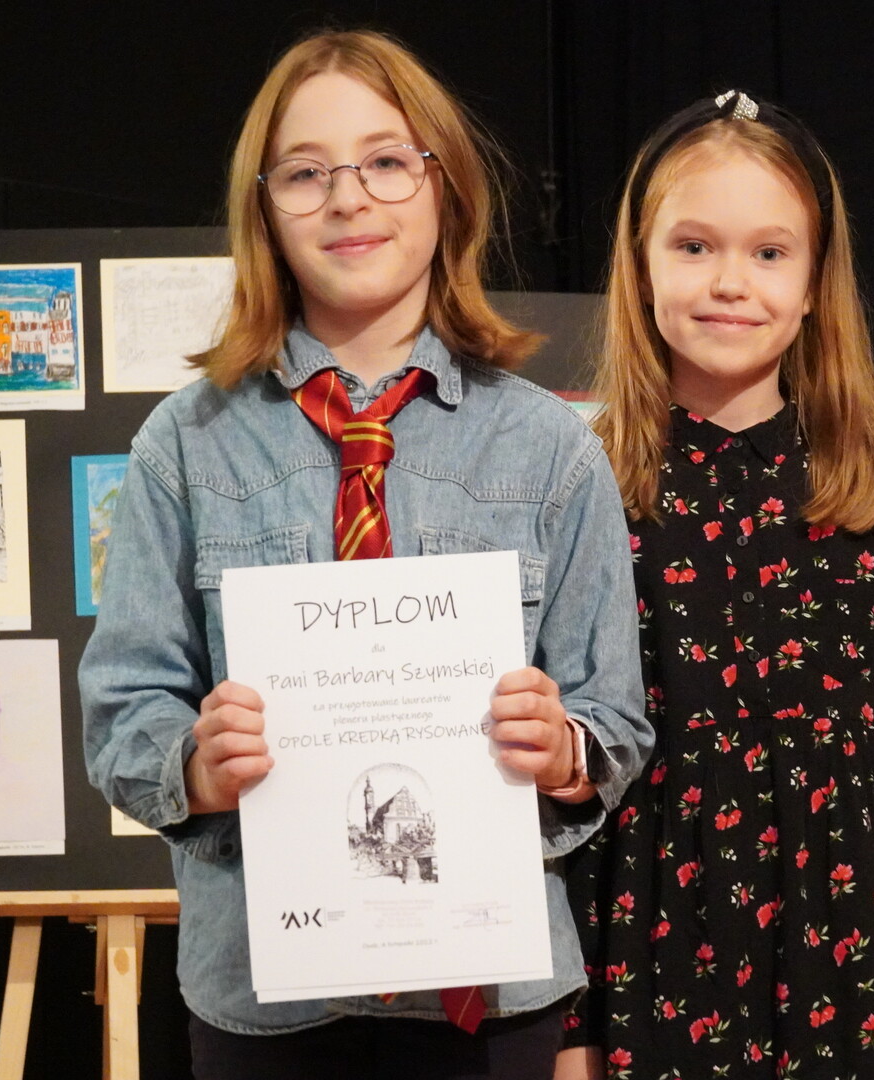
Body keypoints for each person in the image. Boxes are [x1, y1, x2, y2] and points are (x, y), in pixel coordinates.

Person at [79, 29, 651, 1080]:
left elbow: (613, 720)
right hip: (265, 999)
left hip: (489, 1003)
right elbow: (122, 713)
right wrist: (196, 765)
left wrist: (562, 749)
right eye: (306, 173)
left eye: (386, 161)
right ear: (264, 211)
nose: (348, 198)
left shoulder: (550, 447)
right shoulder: (186, 445)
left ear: (447, 189)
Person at [557, 90, 874, 1080]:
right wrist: (573, 1022)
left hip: (856, 953)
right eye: (693, 247)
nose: (730, 282)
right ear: (640, 265)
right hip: (655, 950)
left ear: (812, 283)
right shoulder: (587, 486)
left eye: (768, 252)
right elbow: (568, 780)